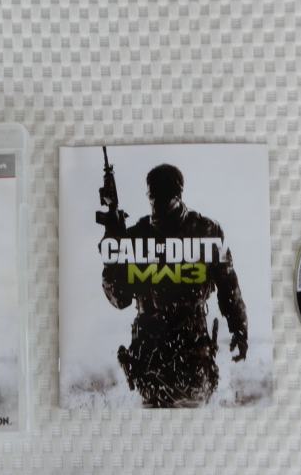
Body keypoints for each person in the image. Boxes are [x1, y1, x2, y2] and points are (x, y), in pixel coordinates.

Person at [101, 164, 247, 407]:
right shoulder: (136, 237)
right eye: (153, 197)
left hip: (192, 358)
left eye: (164, 198)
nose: (157, 205)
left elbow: (229, 286)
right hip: (151, 362)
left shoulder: (206, 232)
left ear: (178, 195)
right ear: (148, 196)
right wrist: (112, 248)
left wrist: (239, 329)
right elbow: (120, 298)